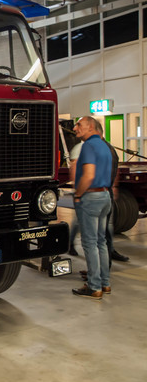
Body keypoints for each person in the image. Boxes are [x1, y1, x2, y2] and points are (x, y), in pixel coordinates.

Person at [72, 117, 112, 299]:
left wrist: (78, 194)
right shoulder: (105, 145)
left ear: (91, 127)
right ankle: (105, 283)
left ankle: (94, 286)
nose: (75, 128)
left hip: (91, 196)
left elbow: (88, 176)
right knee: (101, 241)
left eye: (79, 124)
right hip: (105, 195)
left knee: (89, 243)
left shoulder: (88, 146)